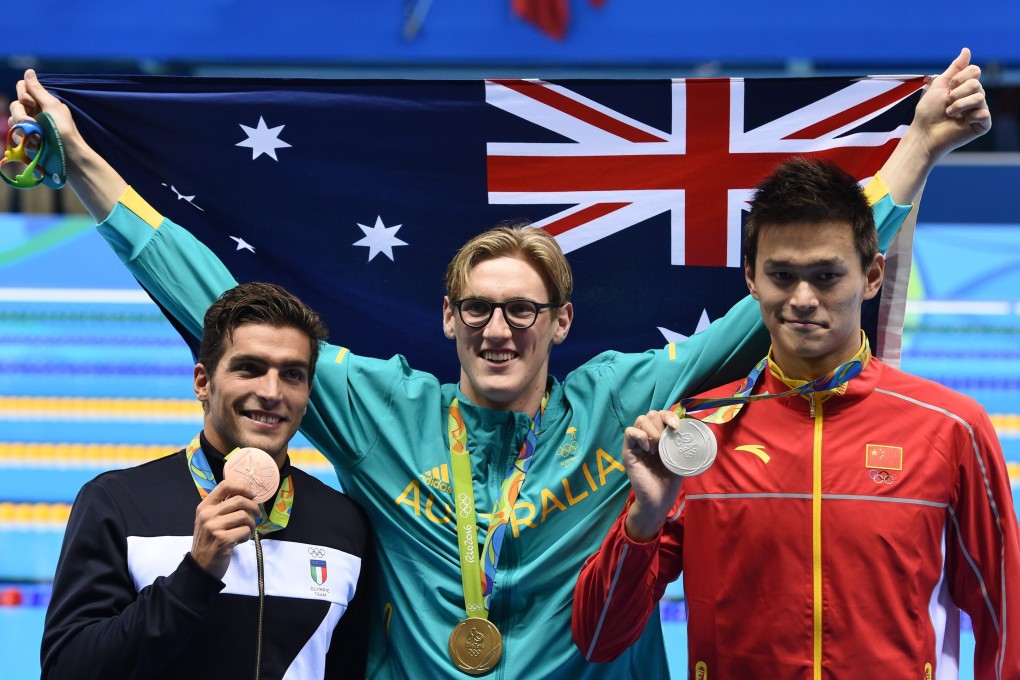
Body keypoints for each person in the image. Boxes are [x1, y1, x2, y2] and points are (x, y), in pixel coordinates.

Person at [14, 49, 990, 678]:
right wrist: (88, 167)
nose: (498, 327)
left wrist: (919, 146)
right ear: (445, 317)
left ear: (562, 321)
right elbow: (209, 299)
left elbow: (775, 297)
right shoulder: (378, 407)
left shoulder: (627, 394)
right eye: (476, 307)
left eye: (523, 308)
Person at [572, 158, 1020, 678]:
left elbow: (1003, 620)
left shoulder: (951, 428)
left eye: (826, 276)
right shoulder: (693, 435)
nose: (803, 299)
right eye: (782, 275)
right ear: (751, 279)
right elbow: (599, 637)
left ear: (872, 275)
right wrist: (644, 520)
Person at [41, 282, 372, 680]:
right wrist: (195, 575)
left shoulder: (343, 523)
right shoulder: (118, 502)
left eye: (292, 374)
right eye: (249, 368)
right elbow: (67, 670)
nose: (271, 392)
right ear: (203, 382)